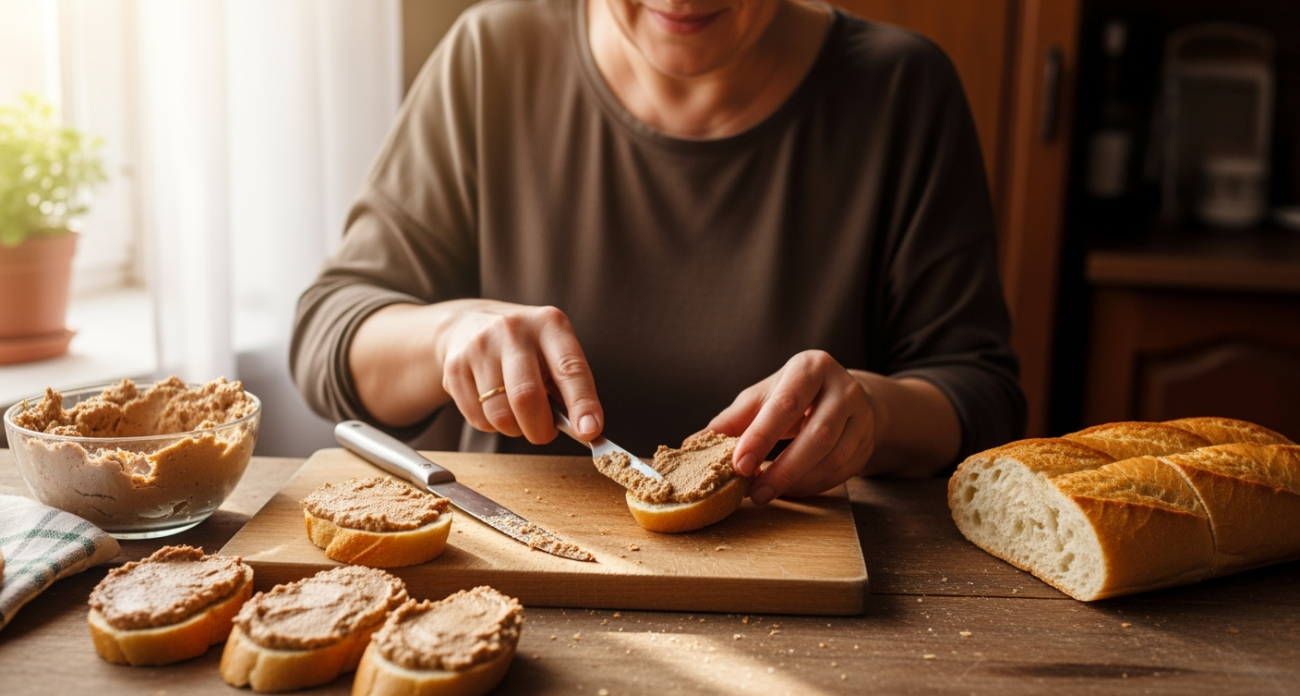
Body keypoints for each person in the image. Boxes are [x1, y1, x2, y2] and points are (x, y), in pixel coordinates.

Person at [290, 0, 1026, 506]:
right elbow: (330, 335)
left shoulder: (902, 88)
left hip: (807, 591)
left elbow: (982, 397)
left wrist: (874, 414)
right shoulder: (493, 55)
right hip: (526, 581)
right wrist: (447, 335)